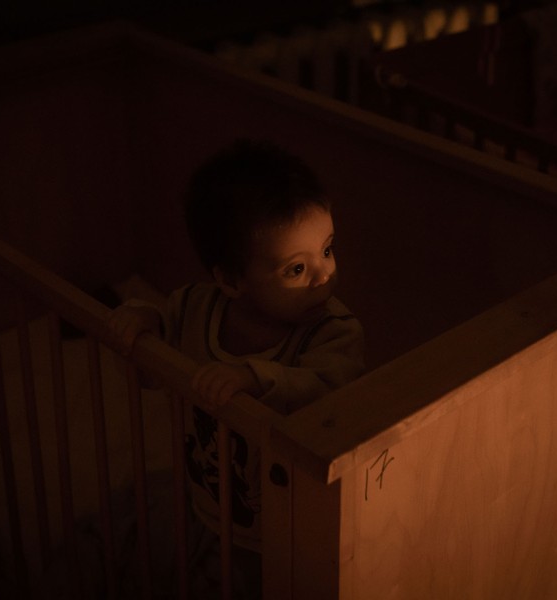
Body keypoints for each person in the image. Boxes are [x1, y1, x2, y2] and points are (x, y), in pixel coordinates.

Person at [107, 138, 365, 597]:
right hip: (207, 498)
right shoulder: (194, 307)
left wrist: (253, 377)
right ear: (229, 280)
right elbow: (157, 354)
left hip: (289, 525)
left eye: (327, 250)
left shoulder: (334, 331)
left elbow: (330, 389)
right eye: (295, 269)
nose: (324, 274)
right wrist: (144, 318)